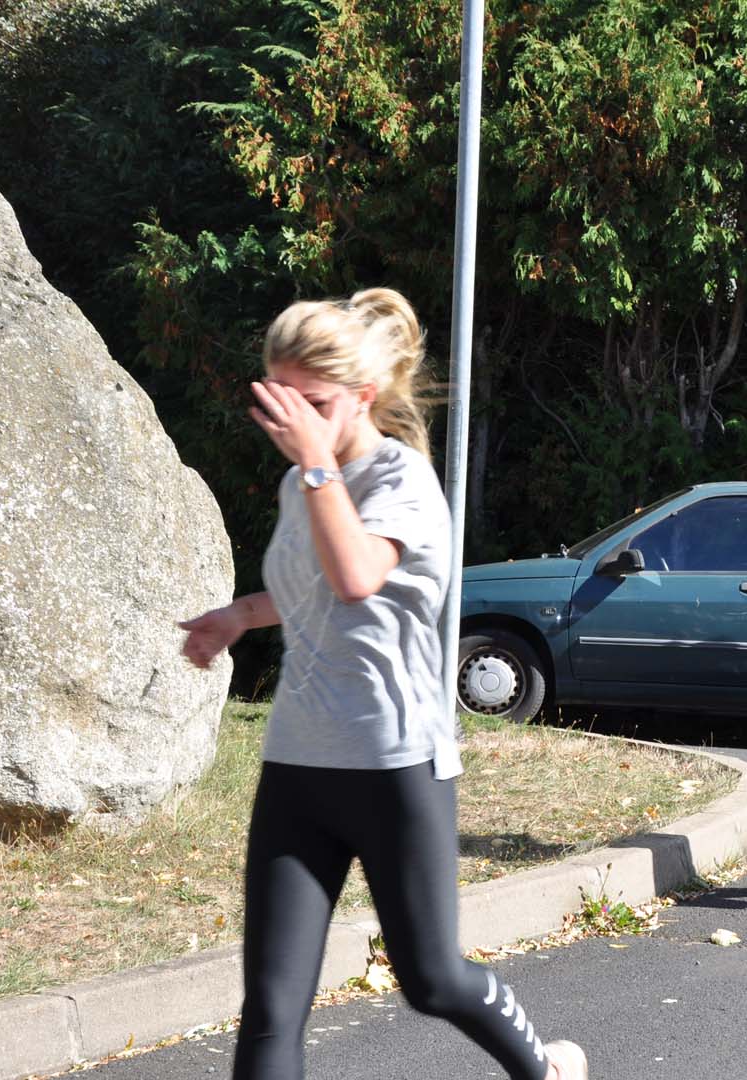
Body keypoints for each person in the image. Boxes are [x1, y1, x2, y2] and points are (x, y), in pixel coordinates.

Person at [177, 289, 587, 1080]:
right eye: (280, 400)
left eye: (313, 402)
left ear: (363, 397)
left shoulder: (399, 481)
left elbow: (359, 573)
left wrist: (318, 467)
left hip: (395, 766)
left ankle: (544, 1069)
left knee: (431, 981)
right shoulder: (305, 484)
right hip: (298, 765)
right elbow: (310, 586)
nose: (293, 418)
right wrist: (236, 615)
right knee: (270, 1010)